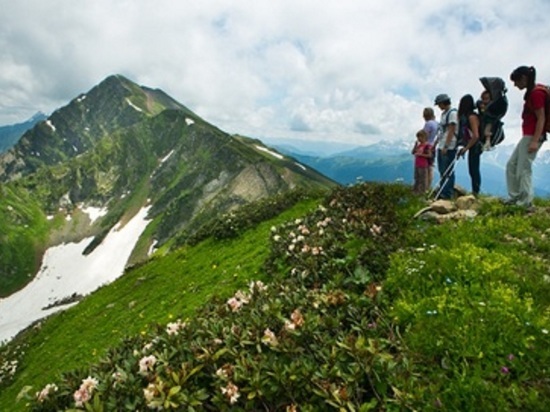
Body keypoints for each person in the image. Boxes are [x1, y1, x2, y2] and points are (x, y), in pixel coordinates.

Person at [505, 66, 546, 209]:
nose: (515, 85)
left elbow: (541, 118)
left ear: (523, 78)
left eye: (516, 81)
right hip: (528, 135)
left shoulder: (536, 94)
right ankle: (515, 197)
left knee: (524, 168)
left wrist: (535, 141)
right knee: (512, 165)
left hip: (533, 135)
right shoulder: (533, 92)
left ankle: (525, 202)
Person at [434, 93, 458, 199]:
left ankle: (447, 193)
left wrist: (446, 146)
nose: (439, 106)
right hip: (441, 145)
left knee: (447, 170)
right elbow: (442, 130)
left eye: (439, 104)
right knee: (442, 169)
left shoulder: (452, 113)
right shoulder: (444, 114)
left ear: (444, 102)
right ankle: (443, 190)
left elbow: (451, 130)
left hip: (449, 146)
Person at [457, 94, 482, 196]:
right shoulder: (469, 116)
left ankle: (476, 192)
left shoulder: (471, 117)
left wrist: (466, 148)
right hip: (472, 145)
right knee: (472, 169)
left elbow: (476, 135)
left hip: (475, 146)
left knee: (474, 169)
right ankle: (475, 191)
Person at [411, 129, 431, 195]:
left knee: (423, 180)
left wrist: (421, 155)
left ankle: (422, 192)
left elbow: (429, 155)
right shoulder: (419, 145)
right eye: (418, 137)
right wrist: (415, 145)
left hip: (423, 165)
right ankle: (415, 191)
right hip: (417, 164)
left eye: (420, 137)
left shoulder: (427, 146)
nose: (419, 139)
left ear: (425, 137)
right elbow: (413, 152)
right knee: (417, 178)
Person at [422, 107, 439, 187]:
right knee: (431, 167)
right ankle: (429, 186)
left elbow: (425, 136)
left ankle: (424, 186)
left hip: (426, 147)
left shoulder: (428, 124)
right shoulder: (437, 123)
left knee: (425, 168)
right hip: (433, 146)